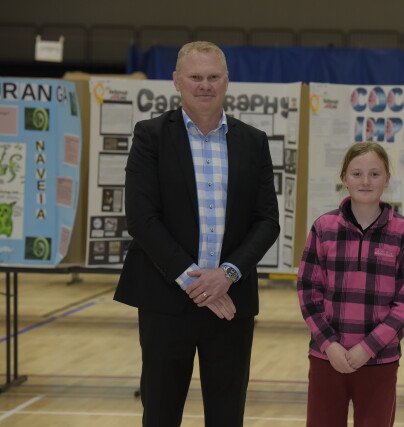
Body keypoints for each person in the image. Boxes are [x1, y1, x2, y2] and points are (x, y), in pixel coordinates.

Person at [114, 41, 280, 427]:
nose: (205, 85)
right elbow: (141, 217)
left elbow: (267, 220)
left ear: (227, 81)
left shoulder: (253, 141)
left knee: (227, 415)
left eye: (213, 77)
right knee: (160, 412)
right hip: (165, 298)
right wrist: (196, 282)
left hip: (231, 300)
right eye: (195, 77)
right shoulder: (150, 136)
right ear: (177, 81)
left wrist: (227, 275)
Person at [297, 142, 404, 426]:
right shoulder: (323, 228)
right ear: (344, 178)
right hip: (327, 357)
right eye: (357, 174)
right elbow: (308, 292)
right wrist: (329, 345)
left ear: (387, 179)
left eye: (374, 174)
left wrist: (368, 347)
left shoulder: (403, 232)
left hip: (379, 359)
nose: (366, 181)